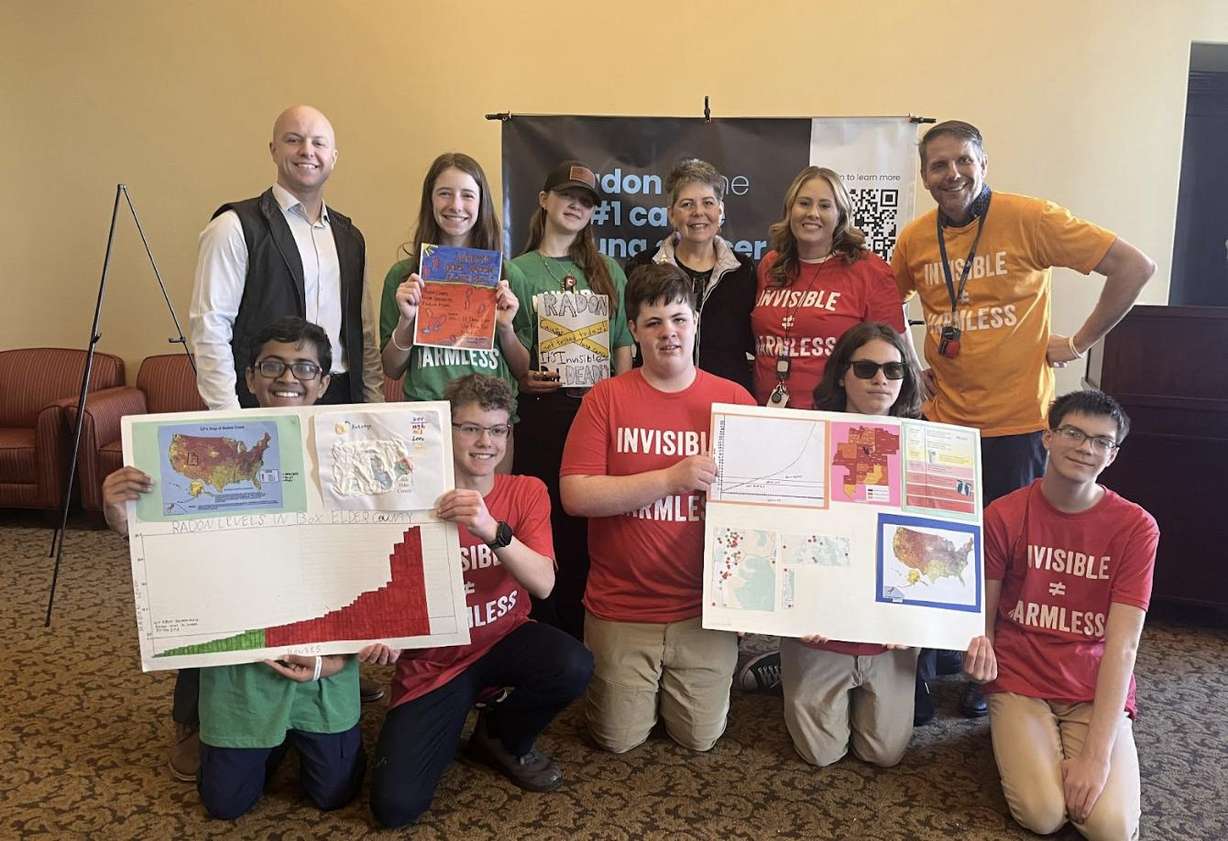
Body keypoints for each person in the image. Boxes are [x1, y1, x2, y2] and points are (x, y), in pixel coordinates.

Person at [892, 119, 1155, 718]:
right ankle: (926, 667)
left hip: (1015, 425)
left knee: (1009, 560)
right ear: (924, 176)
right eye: (938, 165)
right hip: (942, 425)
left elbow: (1134, 267)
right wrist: (909, 362)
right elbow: (885, 299)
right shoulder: (915, 238)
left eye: (963, 160)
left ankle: (992, 671)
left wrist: (1081, 341)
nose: (952, 174)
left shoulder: (1029, 218)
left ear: (983, 164)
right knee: (932, 549)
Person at [102, 317, 390, 819]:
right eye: (273, 366)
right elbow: (162, 549)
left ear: (324, 381)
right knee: (225, 803)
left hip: (325, 657)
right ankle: (252, 738)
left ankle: (302, 736)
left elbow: (378, 554)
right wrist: (117, 509)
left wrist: (338, 660)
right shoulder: (209, 449)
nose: (289, 378)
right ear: (251, 377)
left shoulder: (353, 450)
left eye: (305, 367)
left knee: (332, 796)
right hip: (241, 664)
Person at [737, 323, 995, 767]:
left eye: (893, 370)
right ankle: (783, 661)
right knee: (820, 753)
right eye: (866, 368)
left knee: (885, 753)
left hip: (891, 637)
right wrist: (792, 613)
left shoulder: (929, 447)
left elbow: (946, 541)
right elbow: (780, 529)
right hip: (820, 632)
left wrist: (918, 624)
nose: (881, 379)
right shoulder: (805, 438)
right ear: (842, 374)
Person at [369, 374, 593, 828]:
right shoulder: (409, 498)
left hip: (502, 638)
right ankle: (453, 711)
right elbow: (379, 582)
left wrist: (490, 528)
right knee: (394, 808)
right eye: (470, 428)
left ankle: (498, 737)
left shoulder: (526, 490)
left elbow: (543, 585)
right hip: (434, 662)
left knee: (573, 664)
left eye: (496, 430)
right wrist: (382, 631)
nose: (485, 442)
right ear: (446, 430)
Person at [559, 262, 756, 754]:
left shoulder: (733, 399)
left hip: (702, 610)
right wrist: (670, 479)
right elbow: (576, 495)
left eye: (679, 319)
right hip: (622, 608)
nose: (668, 332)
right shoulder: (605, 398)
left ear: (695, 323)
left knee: (699, 739)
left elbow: (759, 509)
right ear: (634, 330)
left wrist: (752, 602)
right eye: (654, 323)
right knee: (617, 740)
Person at [979, 389, 1158, 840]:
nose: (1085, 448)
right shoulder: (1003, 514)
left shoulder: (1136, 527)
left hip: (1091, 685)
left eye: (1101, 441)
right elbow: (985, 613)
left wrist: (1096, 758)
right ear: (1048, 437)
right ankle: (1018, 737)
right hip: (1021, 677)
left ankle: (1059, 746)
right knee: (1043, 814)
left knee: (1110, 828)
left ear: (1112, 455)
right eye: (1073, 433)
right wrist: (978, 654)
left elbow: (1123, 645)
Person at [509, 160, 635, 639]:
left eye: (585, 201)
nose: (576, 206)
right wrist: (525, 380)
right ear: (544, 200)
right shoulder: (517, 271)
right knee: (545, 521)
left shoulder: (608, 271)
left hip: (596, 413)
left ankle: (591, 629)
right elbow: (513, 353)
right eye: (567, 196)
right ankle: (547, 630)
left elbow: (623, 344)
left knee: (592, 528)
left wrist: (621, 404)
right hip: (543, 415)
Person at [189, 105, 383, 410]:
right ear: (273, 149)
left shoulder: (351, 238)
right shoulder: (234, 226)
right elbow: (210, 328)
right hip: (264, 401)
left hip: (341, 405)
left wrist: (375, 409)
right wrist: (229, 416)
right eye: (294, 140)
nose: (307, 151)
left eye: (318, 143)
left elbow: (365, 338)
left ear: (333, 157)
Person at [379, 153, 529, 471]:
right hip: (427, 419)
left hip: (491, 421)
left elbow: (523, 370)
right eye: (444, 193)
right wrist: (407, 321)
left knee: (490, 503)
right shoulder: (404, 276)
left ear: (481, 203)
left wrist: (505, 328)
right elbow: (391, 368)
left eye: (467, 195)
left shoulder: (509, 276)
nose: (456, 205)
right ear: (430, 200)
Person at [750, 165, 905, 410]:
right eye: (804, 203)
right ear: (790, 210)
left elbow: (893, 355)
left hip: (834, 414)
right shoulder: (771, 264)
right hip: (767, 412)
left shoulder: (870, 270)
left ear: (840, 215)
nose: (812, 213)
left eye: (824, 206)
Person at [622, 158, 755, 390]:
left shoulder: (744, 270)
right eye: (687, 204)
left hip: (725, 400)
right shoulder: (642, 266)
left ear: (720, 210)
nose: (698, 212)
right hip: (657, 396)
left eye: (708, 203)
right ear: (671, 214)